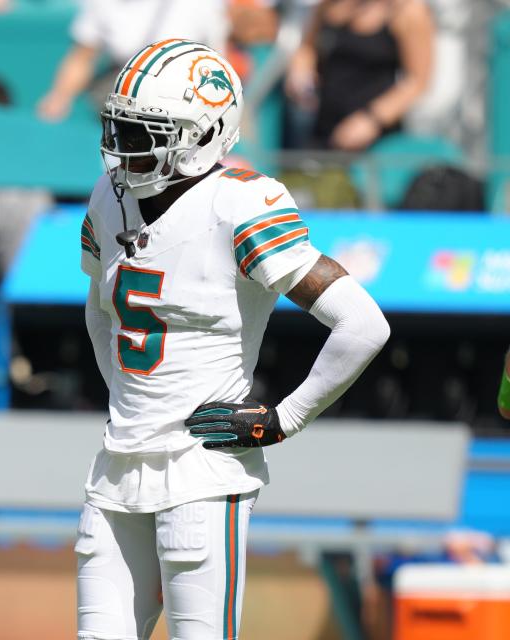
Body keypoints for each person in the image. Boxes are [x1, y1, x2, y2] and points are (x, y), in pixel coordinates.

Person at [77, 40, 389, 639]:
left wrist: (284, 418)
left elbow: (364, 323)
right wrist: (131, 403)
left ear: (205, 133)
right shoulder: (108, 197)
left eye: (145, 134)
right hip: (116, 466)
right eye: (120, 127)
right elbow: (99, 310)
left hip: (202, 472)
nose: (124, 149)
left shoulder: (240, 202)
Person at [38, 0, 229, 122]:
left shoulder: (203, 5)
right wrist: (59, 97)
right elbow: (82, 56)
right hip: (127, 85)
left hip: (192, 84)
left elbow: (220, 57)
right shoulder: (102, 4)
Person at [284, 0, 435, 150]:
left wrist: (372, 119)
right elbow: (307, 48)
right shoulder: (329, 5)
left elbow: (416, 81)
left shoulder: (407, 10)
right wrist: (301, 73)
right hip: (321, 129)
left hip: (375, 138)